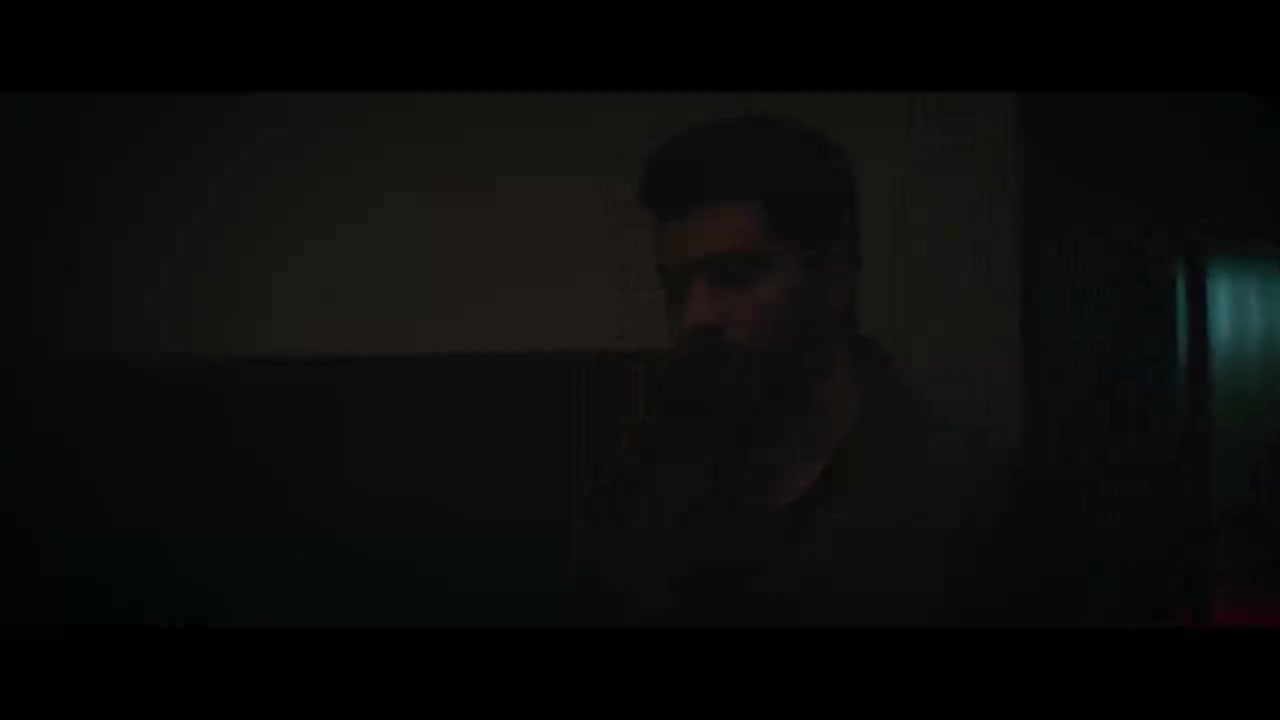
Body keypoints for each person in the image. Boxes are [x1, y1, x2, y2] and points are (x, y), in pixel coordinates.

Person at [573, 113, 1029, 626]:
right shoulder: (645, 493)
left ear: (834, 276)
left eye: (735, 275)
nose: (696, 316)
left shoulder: (966, 507)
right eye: (677, 288)